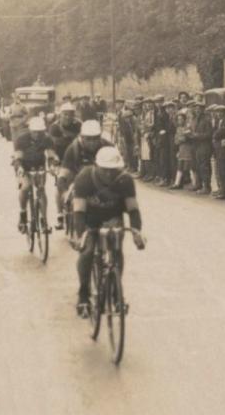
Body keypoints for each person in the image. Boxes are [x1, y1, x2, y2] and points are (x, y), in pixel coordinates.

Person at [69, 146, 146, 317]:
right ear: (96, 166)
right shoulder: (84, 178)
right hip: (89, 219)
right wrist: (80, 234)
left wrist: (136, 232)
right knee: (87, 251)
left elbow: (132, 208)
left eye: (114, 170)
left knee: (116, 248)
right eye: (105, 170)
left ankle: (116, 294)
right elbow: (79, 211)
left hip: (113, 217)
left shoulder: (125, 180)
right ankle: (83, 294)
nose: (110, 174)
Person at [12, 116, 56, 233]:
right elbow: (17, 159)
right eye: (35, 132)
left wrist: (52, 166)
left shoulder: (47, 139)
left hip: (39, 166)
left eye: (40, 132)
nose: (37, 135)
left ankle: (44, 220)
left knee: (41, 190)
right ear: (30, 130)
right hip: (23, 166)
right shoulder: (21, 139)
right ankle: (22, 213)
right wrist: (20, 168)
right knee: (25, 187)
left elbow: (51, 156)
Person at [49, 104, 82, 228]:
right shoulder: (54, 127)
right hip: (60, 159)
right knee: (60, 185)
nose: (68, 117)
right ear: (60, 115)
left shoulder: (79, 125)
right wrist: (53, 161)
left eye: (71, 114)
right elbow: (52, 145)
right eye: (65, 114)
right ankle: (59, 215)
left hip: (76, 158)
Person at [189, 102, 214, 194]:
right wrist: (189, 134)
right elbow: (192, 131)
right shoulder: (194, 119)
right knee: (196, 165)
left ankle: (207, 187)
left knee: (204, 166)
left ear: (203, 109)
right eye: (196, 108)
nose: (197, 110)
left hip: (204, 145)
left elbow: (209, 134)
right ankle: (198, 184)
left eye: (199, 108)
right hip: (195, 145)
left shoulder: (207, 119)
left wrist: (197, 135)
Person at [172, 107, 193, 190]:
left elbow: (186, 138)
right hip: (181, 148)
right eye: (178, 119)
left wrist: (181, 138)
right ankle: (177, 183)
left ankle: (194, 183)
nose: (179, 121)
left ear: (185, 119)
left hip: (188, 148)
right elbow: (176, 140)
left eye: (181, 119)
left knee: (190, 166)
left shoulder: (188, 127)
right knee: (180, 166)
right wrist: (180, 139)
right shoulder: (178, 128)